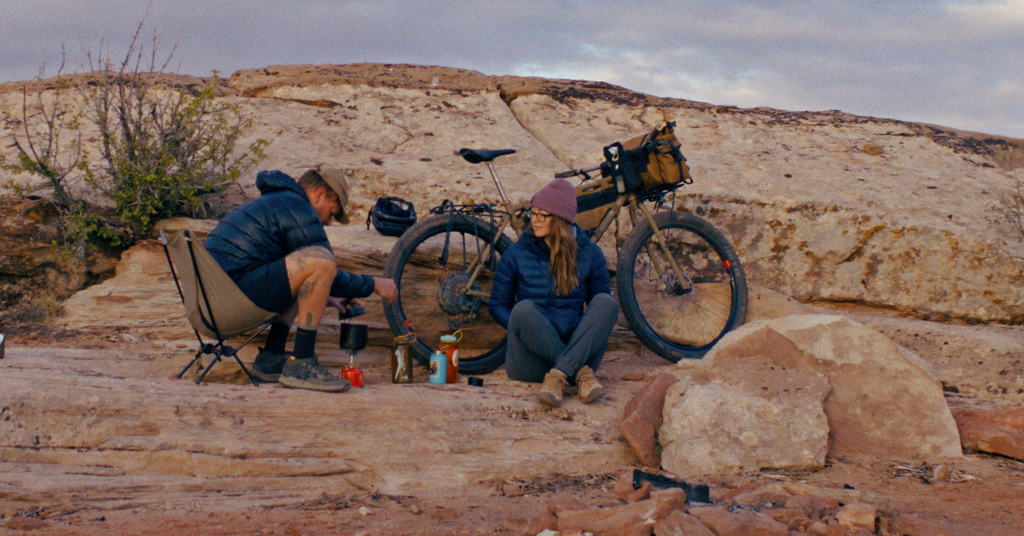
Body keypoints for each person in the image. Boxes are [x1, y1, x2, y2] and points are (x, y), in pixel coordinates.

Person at [204, 168, 398, 392]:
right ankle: (302, 363)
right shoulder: (297, 207)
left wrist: (324, 295)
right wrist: (375, 284)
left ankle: (271, 359)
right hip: (227, 305)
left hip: (212, 303)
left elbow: (291, 276)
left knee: (306, 270)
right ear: (320, 195)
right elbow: (324, 268)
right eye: (332, 213)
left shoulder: (278, 201)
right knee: (320, 261)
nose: (328, 222)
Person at [488, 178, 619, 407]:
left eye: (542, 215)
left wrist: (575, 349)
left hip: (578, 351)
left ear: (560, 219)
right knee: (523, 309)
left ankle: (559, 375)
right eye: (533, 213)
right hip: (531, 363)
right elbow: (498, 305)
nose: (534, 220)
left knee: (606, 303)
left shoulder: (591, 254)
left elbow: (600, 313)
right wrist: (525, 329)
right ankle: (576, 374)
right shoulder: (516, 253)